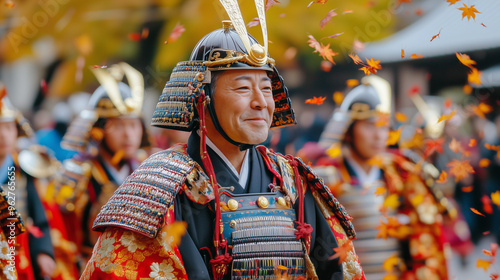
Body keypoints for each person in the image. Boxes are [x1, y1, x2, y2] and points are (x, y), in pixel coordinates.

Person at [81, 2, 365, 280]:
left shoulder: (292, 179)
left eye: (266, 88)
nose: (260, 102)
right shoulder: (157, 186)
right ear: (201, 98)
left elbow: (339, 268)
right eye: (243, 87)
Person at [308, 76, 452, 280]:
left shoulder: (401, 173)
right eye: (369, 126)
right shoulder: (323, 177)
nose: (378, 136)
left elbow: (428, 235)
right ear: (348, 131)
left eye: (384, 127)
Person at [52, 62, 151, 268]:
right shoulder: (78, 172)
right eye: (119, 126)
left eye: (134, 125)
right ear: (97, 129)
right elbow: (61, 234)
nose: (129, 135)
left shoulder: (149, 169)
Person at [0, 87, 56, 280]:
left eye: (8, 127)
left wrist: (43, 252)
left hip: (19, 257)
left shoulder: (23, 171)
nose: (3, 135)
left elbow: (39, 219)